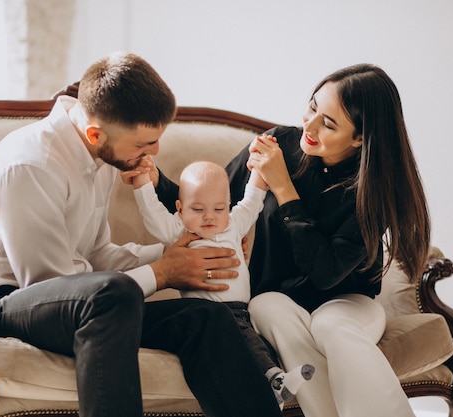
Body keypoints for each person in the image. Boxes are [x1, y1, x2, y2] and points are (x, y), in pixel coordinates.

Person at [0, 52, 284, 417]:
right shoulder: (30, 167)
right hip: (2, 306)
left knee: (207, 318)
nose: (153, 154)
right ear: (96, 134)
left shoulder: (102, 154)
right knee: (115, 292)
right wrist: (162, 273)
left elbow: (95, 255)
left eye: (156, 141)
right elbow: (52, 284)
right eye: (143, 145)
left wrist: (177, 251)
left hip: (91, 302)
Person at [152, 64, 430, 417]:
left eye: (328, 123)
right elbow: (205, 203)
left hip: (348, 302)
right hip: (277, 301)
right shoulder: (278, 143)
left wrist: (283, 188)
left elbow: (326, 273)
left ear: (360, 138)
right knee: (266, 305)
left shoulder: (371, 191)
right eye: (313, 108)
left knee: (331, 325)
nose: (309, 126)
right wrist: (153, 179)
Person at [129, 159, 314, 409]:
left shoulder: (233, 224)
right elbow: (153, 215)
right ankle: (274, 379)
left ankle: (273, 384)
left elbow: (251, 202)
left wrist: (260, 172)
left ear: (228, 206)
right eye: (197, 209)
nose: (209, 217)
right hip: (212, 313)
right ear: (180, 208)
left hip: (242, 309)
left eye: (218, 209)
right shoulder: (180, 230)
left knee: (259, 342)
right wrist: (142, 183)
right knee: (245, 342)